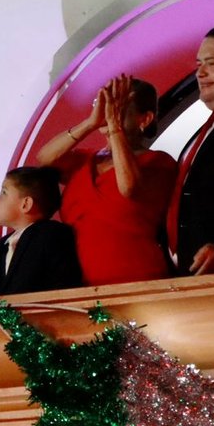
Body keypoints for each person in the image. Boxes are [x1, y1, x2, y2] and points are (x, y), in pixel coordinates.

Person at [36, 75, 177, 285]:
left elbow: (128, 188)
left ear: (144, 119)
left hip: (138, 277)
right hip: (81, 282)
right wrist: (90, 123)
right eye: (104, 103)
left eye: (118, 106)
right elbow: (44, 159)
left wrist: (115, 128)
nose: (108, 111)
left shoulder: (158, 161)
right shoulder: (84, 160)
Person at [169, 24, 214, 275]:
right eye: (198, 65)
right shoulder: (208, 128)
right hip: (191, 276)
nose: (200, 73)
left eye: (211, 63)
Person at [0, 166, 82, 297]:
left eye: (4, 193)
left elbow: (62, 286)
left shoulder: (51, 235)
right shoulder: (3, 246)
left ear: (26, 204)